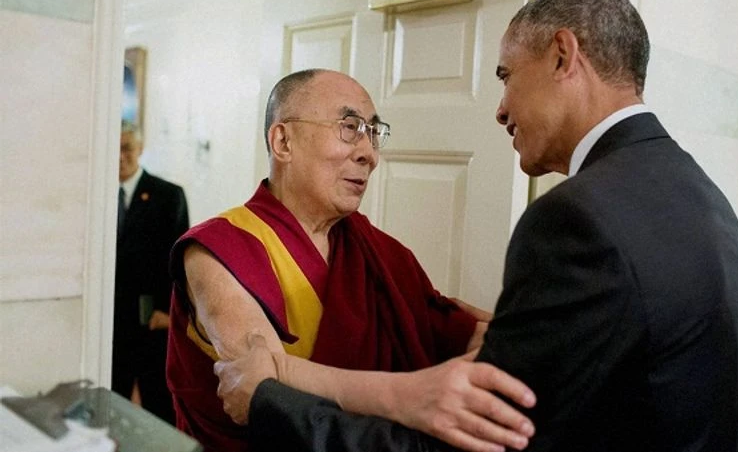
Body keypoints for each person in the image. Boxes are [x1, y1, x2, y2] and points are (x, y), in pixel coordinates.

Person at [213, 0, 738, 451]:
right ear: (280, 139)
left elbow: (476, 437)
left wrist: (271, 397)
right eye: (348, 128)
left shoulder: (577, 221)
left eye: (506, 76)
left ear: (562, 56)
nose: (500, 108)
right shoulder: (705, 199)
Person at [165, 68, 536, 452]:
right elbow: (265, 394)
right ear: (283, 141)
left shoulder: (381, 254)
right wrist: (415, 394)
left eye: (374, 133)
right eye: (350, 127)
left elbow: (454, 329)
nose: (369, 154)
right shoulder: (218, 250)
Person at [113, 123, 189, 425]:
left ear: (140, 149)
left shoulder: (168, 196)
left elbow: (181, 263)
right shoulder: (96, 195)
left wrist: (171, 313)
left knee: (158, 402)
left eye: (127, 148)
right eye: (115, 148)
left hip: (152, 318)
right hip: (112, 321)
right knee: (112, 397)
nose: (120, 157)